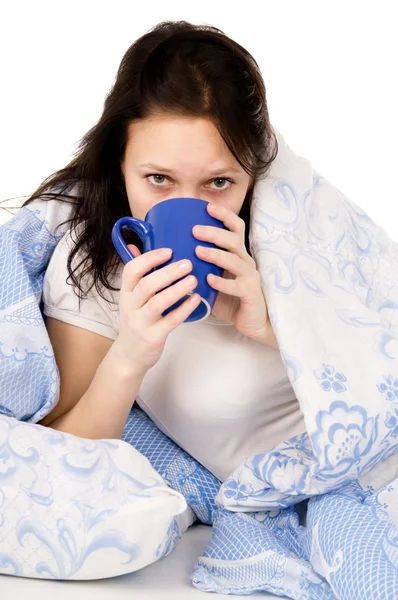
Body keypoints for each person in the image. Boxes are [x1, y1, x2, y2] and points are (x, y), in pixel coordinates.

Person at [23, 20, 307, 483]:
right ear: (120, 163)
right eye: (158, 179)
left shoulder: (291, 229)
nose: (186, 205)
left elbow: (376, 368)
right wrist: (131, 354)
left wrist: (271, 328)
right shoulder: (95, 267)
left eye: (220, 182)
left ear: (253, 174)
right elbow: (55, 456)